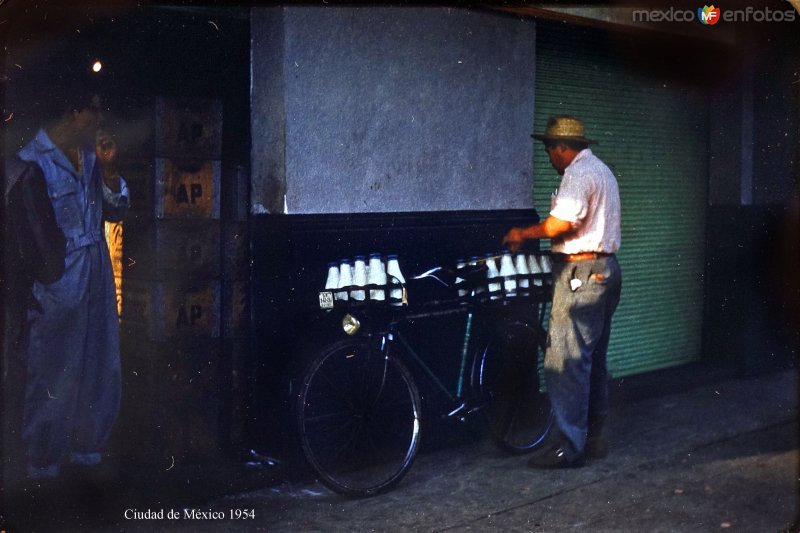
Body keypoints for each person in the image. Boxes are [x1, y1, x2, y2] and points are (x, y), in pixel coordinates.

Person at [14, 87, 129, 481]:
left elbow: (118, 211)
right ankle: (43, 465)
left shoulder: (93, 157)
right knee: (53, 369)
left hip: (96, 270)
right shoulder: (32, 161)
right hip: (59, 279)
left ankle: (88, 455)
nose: (99, 118)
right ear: (71, 109)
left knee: (101, 363)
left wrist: (111, 170)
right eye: (92, 110)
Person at [503, 115, 622, 468]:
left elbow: (561, 224)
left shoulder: (578, 173)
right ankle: (594, 438)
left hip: (581, 274)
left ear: (561, 149)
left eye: (548, 150)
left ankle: (568, 446)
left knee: (565, 361)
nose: (549, 158)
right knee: (591, 358)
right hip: (606, 270)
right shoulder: (602, 171)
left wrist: (521, 234)